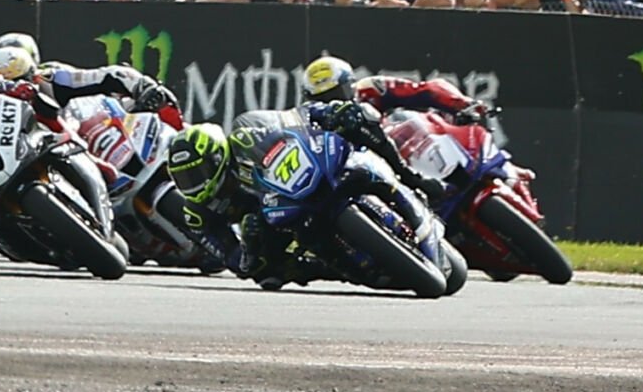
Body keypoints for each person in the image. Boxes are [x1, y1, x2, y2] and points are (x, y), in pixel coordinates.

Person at [166, 101, 440, 289]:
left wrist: (330, 112)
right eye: (183, 180)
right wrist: (249, 249)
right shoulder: (196, 214)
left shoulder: (245, 139)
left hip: (299, 184)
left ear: (216, 158)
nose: (193, 185)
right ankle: (335, 268)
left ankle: (409, 180)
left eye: (196, 174)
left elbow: (294, 118)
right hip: (273, 225)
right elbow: (233, 259)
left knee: (361, 121)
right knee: (268, 277)